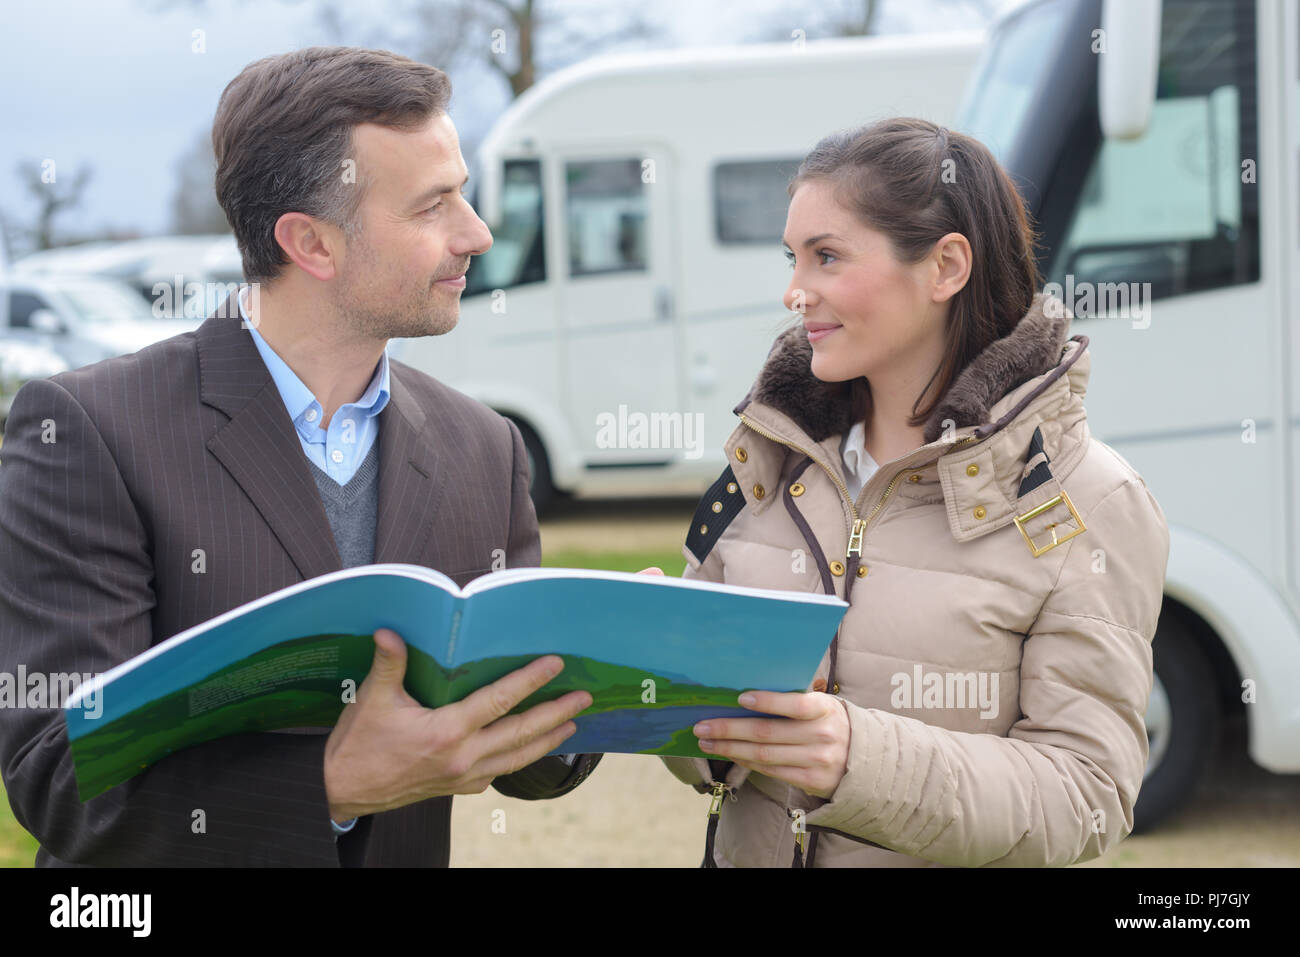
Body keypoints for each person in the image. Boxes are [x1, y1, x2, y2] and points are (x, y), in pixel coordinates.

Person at [0, 46, 600, 867]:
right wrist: (329, 783)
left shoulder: (484, 446)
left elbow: (528, 758)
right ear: (310, 243)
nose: (478, 232)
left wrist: (606, 668)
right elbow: (57, 774)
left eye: (464, 193)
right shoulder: (88, 430)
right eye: (433, 207)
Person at [662, 118, 1170, 868]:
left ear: (945, 267)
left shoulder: (1094, 501)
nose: (794, 292)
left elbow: (1086, 796)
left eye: (827, 256)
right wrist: (665, 673)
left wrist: (854, 758)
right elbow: (699, 756)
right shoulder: (766, 459)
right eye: (793, 257)